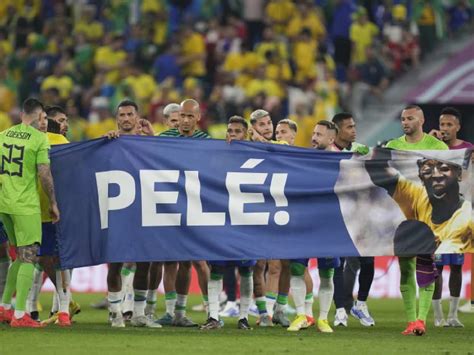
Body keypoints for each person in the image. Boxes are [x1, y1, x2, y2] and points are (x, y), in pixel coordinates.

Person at [378, 104, 450, 336]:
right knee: (406, 267)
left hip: (429, 218)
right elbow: (379, 171)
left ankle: (421, 320)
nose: (404, 122)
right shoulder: (393, 147)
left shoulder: (437, 146)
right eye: (402, 119)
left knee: (426, 265)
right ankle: (411, 322)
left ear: (420, 121)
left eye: (409, 118)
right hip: (402, 216)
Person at [0, 98, 60, 328]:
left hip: (4, 204)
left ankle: (5, 308)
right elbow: (44, 174)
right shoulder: (38, 139)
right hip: (25, 205)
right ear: (36, 116)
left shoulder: (4, 135)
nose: (46, 122)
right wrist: (53, 202)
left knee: (18, 255)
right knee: (29, 256)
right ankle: (19, 315)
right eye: (44, 117)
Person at [105, 100, 162, 329]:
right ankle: (114, 312)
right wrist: (104, 142)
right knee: (115, 263)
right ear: (117, 118)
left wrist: (153, 137)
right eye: (122, 115)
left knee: (144, 262)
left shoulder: (147, 142)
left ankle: (138, 314)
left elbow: (165, 162)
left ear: (137, 117)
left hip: (143, 208)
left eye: (130, 114)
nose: (126, 118)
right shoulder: (110, 141)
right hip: (118, 209)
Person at [157, 99, 210, 327]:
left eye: (190, 116)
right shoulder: (164, 138)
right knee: (169, 260)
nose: (186, 120)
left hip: (193, 205)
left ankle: (180, 311)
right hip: (167, 204)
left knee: (188, 260)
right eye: (183, 116)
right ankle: (170, 312)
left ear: (198, 118)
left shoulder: (206, 142)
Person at [200, 116, 254, 331]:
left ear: (246, 134)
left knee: (247, 270)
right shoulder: (216, 158)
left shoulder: (255, 154)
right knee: (216, 269)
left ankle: (244, 318)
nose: (232, 134)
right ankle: (213, 316)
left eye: (237, 131)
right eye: (229, 131)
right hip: (221, 221)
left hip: (246, 222)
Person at [288, 120, 340, 333]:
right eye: (314, 133)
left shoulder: (340, 162)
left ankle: (323, 318)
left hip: (329, 224)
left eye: (319, 134)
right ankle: (301, 314)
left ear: (331, 139)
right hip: (305, 222)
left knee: (327, 273)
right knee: (297, 267)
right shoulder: (304, 159)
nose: (314, 137)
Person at [429, 107, 473, 327]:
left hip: (461, 217)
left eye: (449, 125)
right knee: (436, 267)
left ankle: (453, 315)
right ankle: (438, 317)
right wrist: (430, 144)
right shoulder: (432, 147)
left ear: (457, 127)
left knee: (456, 267)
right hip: (436, 217)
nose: (444, 129)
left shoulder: (469, 150)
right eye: (441, 124)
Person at [330, 112, 375, 327]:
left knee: (368, 260)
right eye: (349, 127)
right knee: (337, 264)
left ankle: (361, 304)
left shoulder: (360, 151)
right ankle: (340, 311)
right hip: (336, 216)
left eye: (354, 126)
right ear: (337, 130)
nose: (354, 130)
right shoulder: (326, 153)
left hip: (360, 215)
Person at [248, 109, 289, 328]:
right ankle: (263, 312)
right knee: (258, 265)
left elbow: (275, 149)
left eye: (269, 122)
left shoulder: (281, 146)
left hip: (277, 209)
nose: (268, 127)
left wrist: (259, 140)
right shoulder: (244, 149)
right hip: (253, 210)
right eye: (262, 124)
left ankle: (274, 312)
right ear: (253, 127)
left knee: (277, 265)